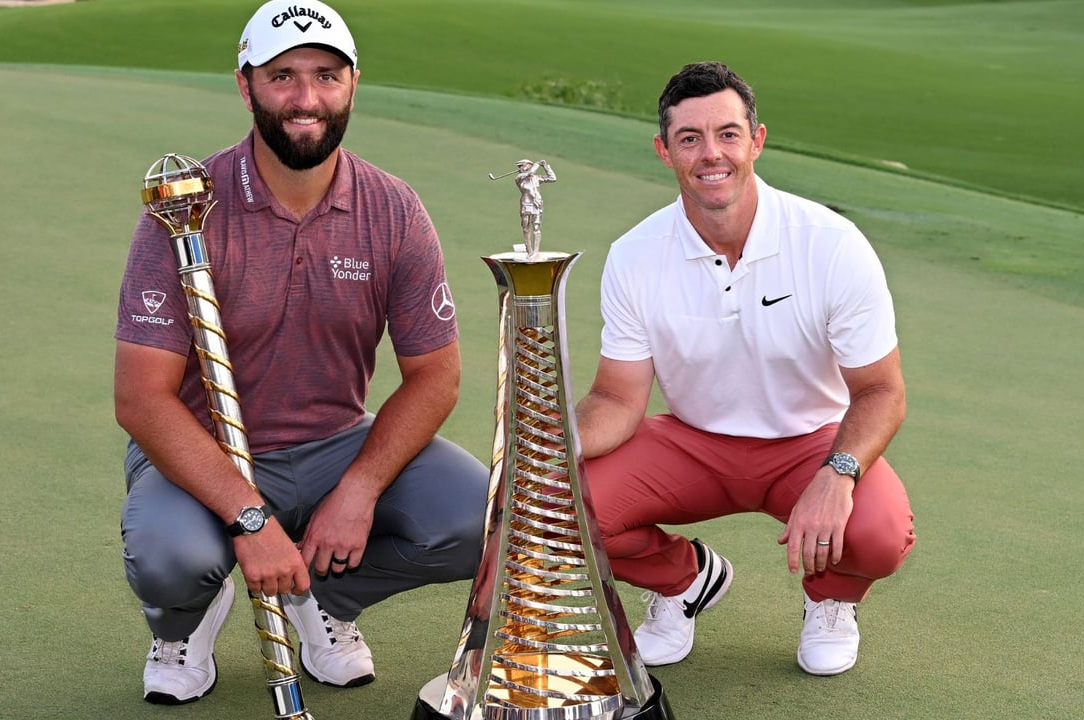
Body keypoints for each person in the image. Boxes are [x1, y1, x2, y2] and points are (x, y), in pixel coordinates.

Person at [114, 0, 487, 705]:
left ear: (353, 84)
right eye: (282, 76)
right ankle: (182, 621)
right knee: (171, 561)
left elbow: (436, 377)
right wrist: (249, 518)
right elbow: (140, 397)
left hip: (335, 446)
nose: (305, 98)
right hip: (207, 447)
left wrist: (361, 488)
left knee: (475, 518)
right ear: (245, 85)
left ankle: (319, 598)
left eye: (325, 75)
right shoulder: (184, 203)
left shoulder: (393, 209)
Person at [575, 61, 916, 677]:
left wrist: (838, 474)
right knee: (562, 501)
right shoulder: (634, 255)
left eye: (728, 134)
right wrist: (551, 445)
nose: (712, 154)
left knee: (880, 534)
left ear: (756, 140)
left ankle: (832, 598)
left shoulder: (831, 243)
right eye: (690, 138)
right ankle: (682, 580)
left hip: (810, 442)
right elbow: (618, 399)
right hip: (692, 441)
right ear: (664, 151)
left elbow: (882, 391)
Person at [513, 159, 556, 254]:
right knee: (526, 227)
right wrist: (537, 164)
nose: (520, 168)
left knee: (536, 227)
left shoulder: (536, 178)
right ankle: (529, 250)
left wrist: (545, 166)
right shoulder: (520, 177)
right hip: (525, 204)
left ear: (528, 165)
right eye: (519, 166)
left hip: (537, 204)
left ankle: (536, 251)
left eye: (522, 165)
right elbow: (530, 172)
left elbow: (553, 178)